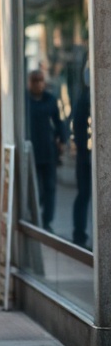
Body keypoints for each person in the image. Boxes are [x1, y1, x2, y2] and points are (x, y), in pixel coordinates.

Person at [25, 69, 68, 232]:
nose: (37, 83)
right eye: (34, 80)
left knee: (49, 187)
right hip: (31, 151)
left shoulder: (50, 100)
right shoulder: (25, 100)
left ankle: (47, 221)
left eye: (40, 80)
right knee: (37, 189)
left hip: (48, 151)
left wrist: (62, 140)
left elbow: (58, 122)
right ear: (29, 82)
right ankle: (35, 216)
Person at [72, 70, 92, 247]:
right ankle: (79, 234)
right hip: (87, 156)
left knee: (84, 196)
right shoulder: (85, 99)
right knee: (84, 195)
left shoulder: (86, 97)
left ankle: (80, 234)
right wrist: (84, 154)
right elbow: (78, 127)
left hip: (88, 155)